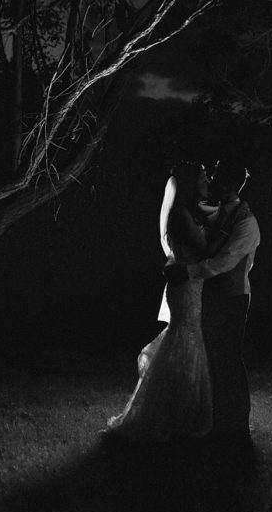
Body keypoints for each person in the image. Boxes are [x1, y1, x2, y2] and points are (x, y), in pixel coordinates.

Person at [105, 162, 214, 443]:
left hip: (189, 284)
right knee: (186, 335)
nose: (208, 180)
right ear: (191, 182)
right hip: (186, 285)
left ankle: (181, 407)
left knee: (186, 336)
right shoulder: (182, 215)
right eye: (203, 176)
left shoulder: (187, 212)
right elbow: (204, 250)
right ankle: (175, 411)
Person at [164, 159, 260, 446]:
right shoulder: (219, 213)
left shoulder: (247, 222)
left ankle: (238, 428)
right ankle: (217, 424)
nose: (211, 183)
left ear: (228, 185)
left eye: (215, 178)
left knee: (229, 361)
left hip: (233, 298)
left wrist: (186, 271)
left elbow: (224, 262)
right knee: (214, 363)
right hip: (211, 297)